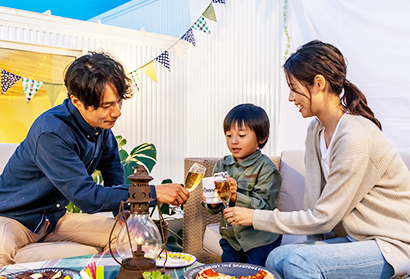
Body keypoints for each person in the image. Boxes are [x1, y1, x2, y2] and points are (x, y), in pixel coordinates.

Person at [224, 40, 410, 278]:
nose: (291, 97)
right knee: (276, 257)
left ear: (319, 84)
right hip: (358, 240)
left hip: (392, 246)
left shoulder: (355, 136)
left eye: (294, 88)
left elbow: (324, 217)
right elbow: (314, 203)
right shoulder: (316, 130)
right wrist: (316, 249)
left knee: (300, 262)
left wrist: (256, 217)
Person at [0, 52, 189, 266]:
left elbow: (112, 169)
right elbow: (86, 197)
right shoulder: (51, 132)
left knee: (132, 234)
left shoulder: (101, 128)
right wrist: (151, 193)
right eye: (106, 105)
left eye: (118, 102)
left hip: (53, 218)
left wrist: (125, 210)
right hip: (12, 218)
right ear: (77, 102)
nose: (117, 112)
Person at [202, 104, 282, 266]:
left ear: (261, 138)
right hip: (231, 239)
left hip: (260, 240)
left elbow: (264, 208)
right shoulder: (222, 166)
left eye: (242, 135)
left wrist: (235, 196)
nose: (234, 141)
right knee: (228, 273)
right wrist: (211, 201)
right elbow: (215, 208)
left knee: (256, 275)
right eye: (229, 135)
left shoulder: (267, 168)